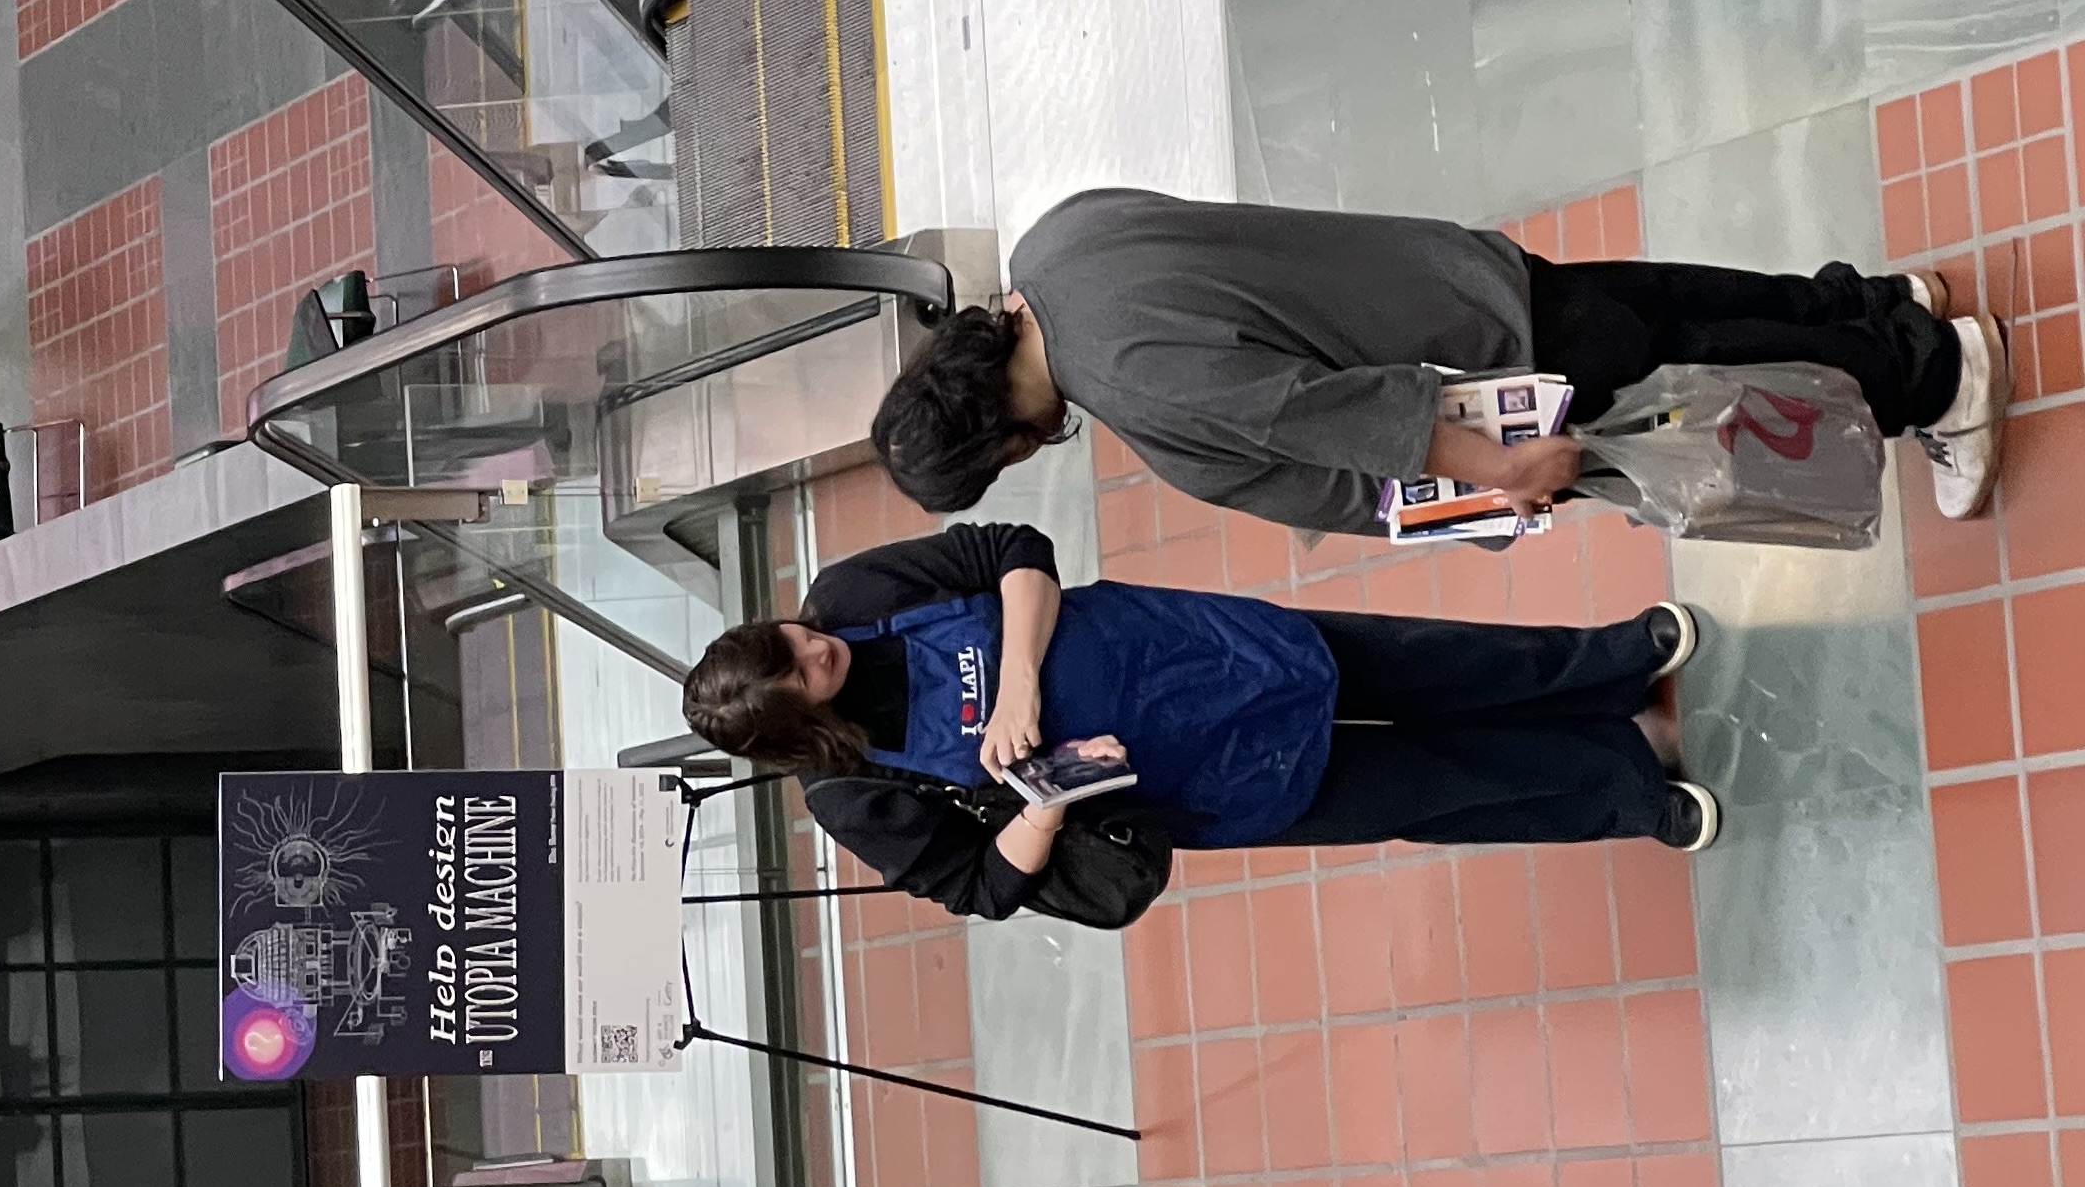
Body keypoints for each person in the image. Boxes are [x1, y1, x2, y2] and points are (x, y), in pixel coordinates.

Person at [684, 522, 1715, 922]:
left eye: (787, 640)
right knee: (1435, 788)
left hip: (1188, 648)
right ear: (796, 730)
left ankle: (1613, 662)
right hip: (1204, 779)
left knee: (1431, 663)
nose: (813, 652)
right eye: (798, 679)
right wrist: (1045, 799)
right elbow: (983, 884)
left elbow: (1016, 552)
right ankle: (1630, 792)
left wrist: (1017, 687)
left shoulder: (852, 590)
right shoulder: (853, 792)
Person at [870, 186, 2005, 531]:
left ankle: (1937, 375)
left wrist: (1501, 470)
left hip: (1477, 362)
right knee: (1671, 297)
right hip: (1443, 269)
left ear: (1002, 449)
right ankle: (1874, 307)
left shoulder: (1131, 385)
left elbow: (1325, 415)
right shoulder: (1056, 239)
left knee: (1693, 369)